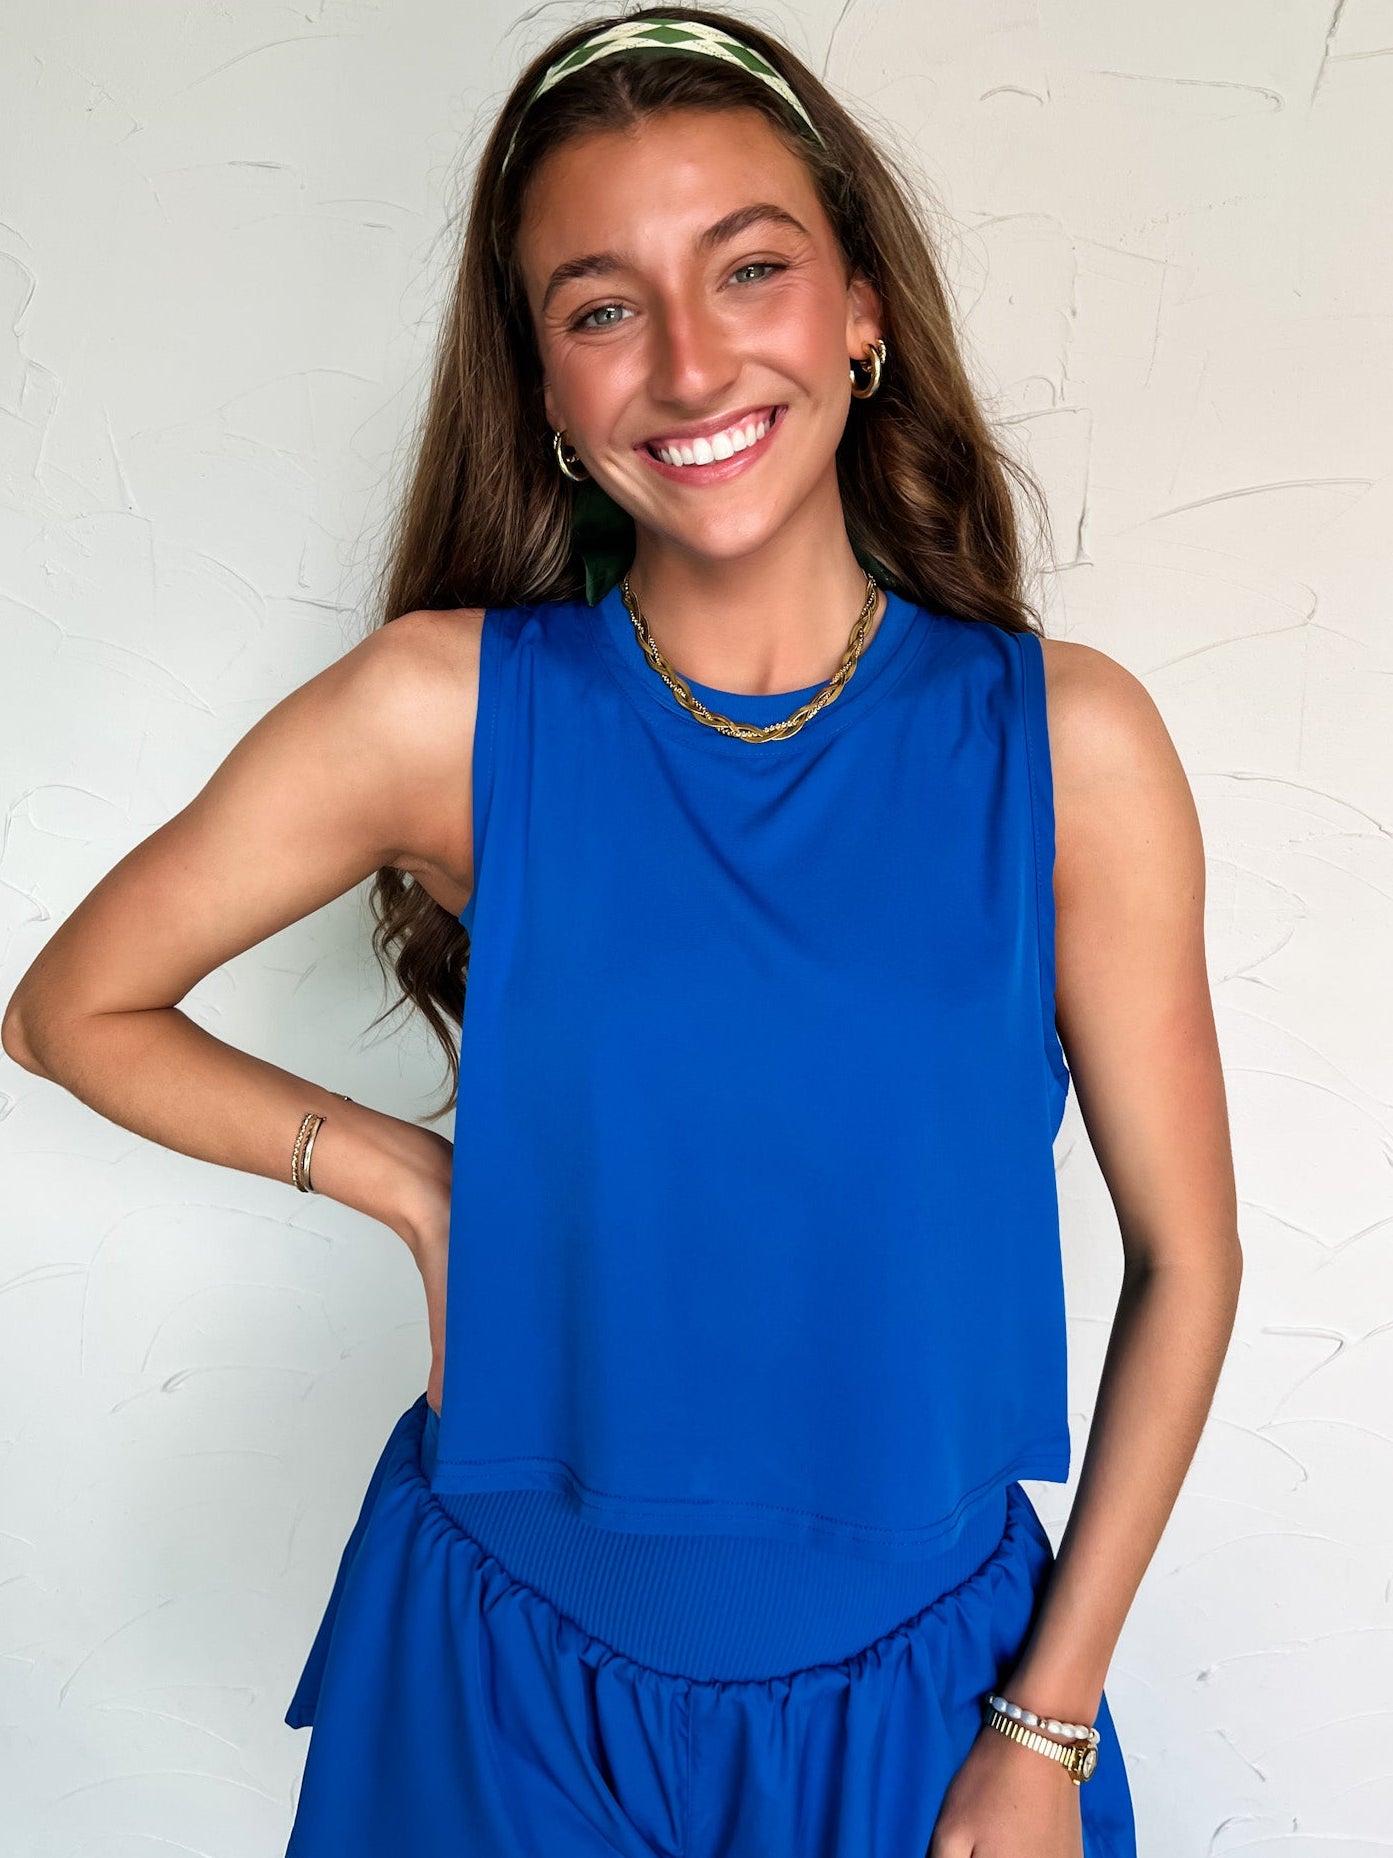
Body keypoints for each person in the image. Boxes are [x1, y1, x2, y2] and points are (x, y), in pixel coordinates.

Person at [2, 8, 1243, 1856]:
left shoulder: (1066, 749)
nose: (687, 360)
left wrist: (1044, 1726)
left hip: (929, 1709)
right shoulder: (441, 713)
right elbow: (69, 1008)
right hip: (502, 1688)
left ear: (860, 309)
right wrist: (414, 1186)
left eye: (749, 269)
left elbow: (1187, 1262)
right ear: (545, 389)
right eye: (601, 308)